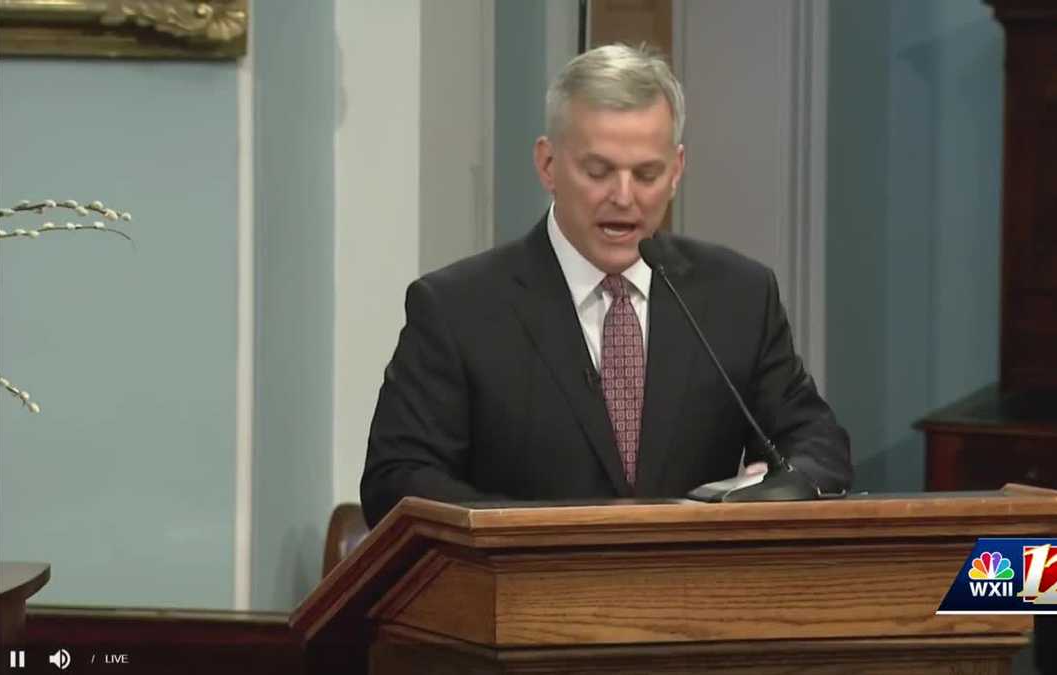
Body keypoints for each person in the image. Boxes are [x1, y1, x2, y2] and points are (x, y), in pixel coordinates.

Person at [361, 44, 850, 527]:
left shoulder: (738, 296)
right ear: (548, 165)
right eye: (598, 171)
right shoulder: (457, 309)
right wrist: (534, 536)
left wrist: (775, 492)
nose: (623, 197)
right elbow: (399, 479)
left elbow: (815, 441)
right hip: (525, 594)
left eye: (646, 174)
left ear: (676, 170)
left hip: (698, 595)